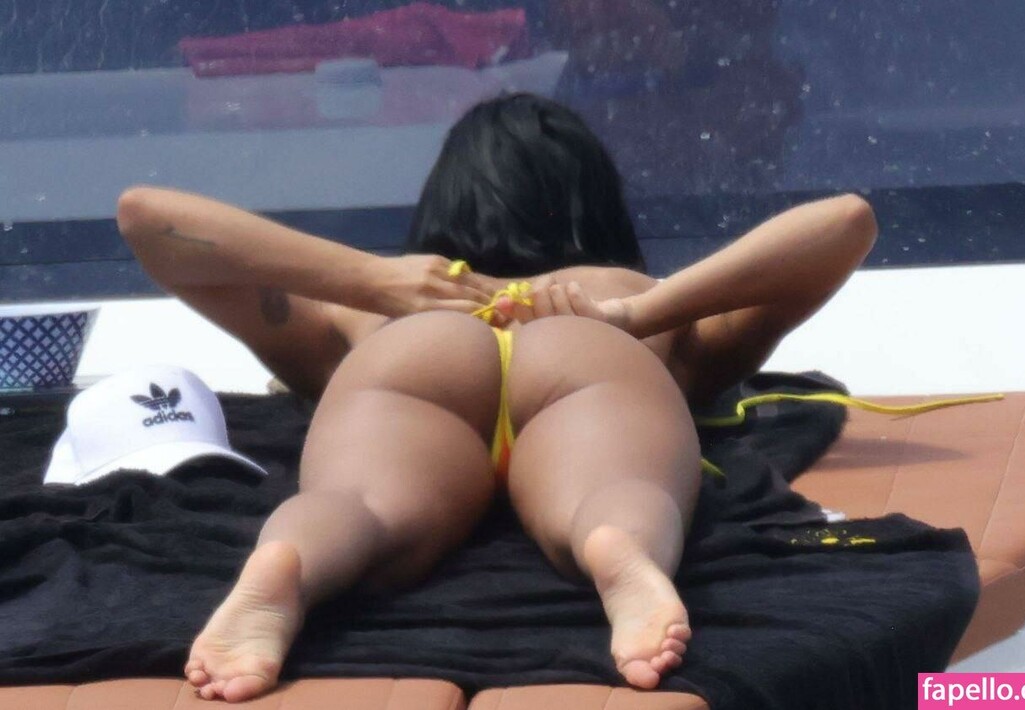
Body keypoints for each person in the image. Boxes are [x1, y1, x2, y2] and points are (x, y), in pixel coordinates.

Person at [117, 93, 877, 702]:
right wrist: (640, 314)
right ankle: (620, 546)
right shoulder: (632, 298)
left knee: (357, 503)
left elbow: (147, 217)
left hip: (417, 347)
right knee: (616, 489)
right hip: (590, 346)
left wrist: (371, 279)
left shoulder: (366, 307)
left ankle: (292, 561)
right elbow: (845, 224)